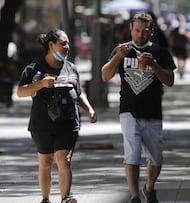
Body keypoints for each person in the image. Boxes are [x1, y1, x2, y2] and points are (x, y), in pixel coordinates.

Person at [101, 12, 176, 203]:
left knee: (156, 159)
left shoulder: (159, 52)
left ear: (151, 31)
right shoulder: (122, 50)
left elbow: (169, 81)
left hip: (152, 113)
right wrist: (117, 57)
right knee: (132, 154)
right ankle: (134, 196)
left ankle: (149, 188)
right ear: (131, 30)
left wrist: (154, 65)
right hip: (129, 111)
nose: (140, 34)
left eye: (144, 31)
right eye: (136, 30)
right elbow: (105, 75)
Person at [16, 29, 97, 203]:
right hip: (42, 122)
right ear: (51, 45)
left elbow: (78, 92)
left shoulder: (71, 68)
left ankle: (66, 198)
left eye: (68, 43)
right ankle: (45, 199)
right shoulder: (34, 68)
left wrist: (89, 109)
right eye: (63, 44)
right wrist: (40, 84)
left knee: (64, 159)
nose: (67, 47)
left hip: (68, 122)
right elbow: (21, 92)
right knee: (46, 162)